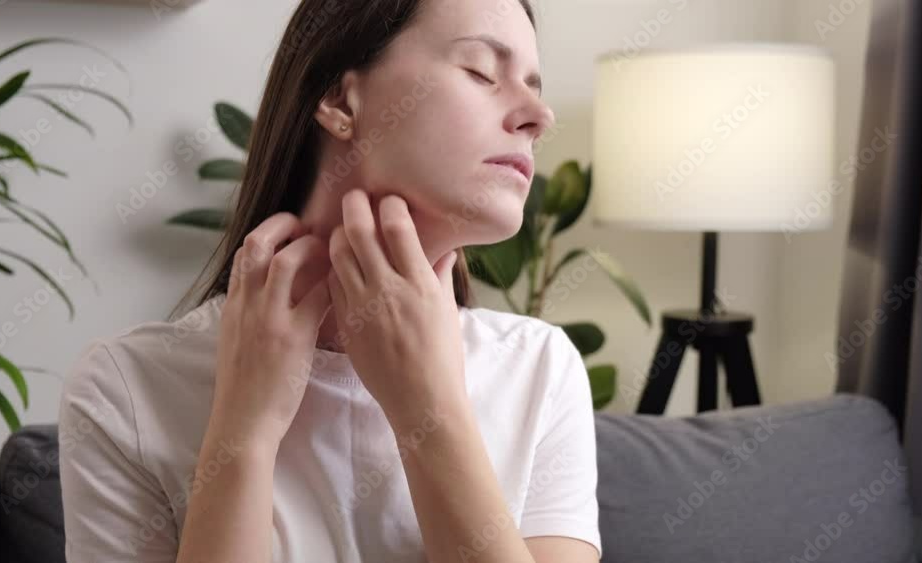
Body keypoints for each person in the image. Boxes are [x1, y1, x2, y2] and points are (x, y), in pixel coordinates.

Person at [58, 0, 602, 561]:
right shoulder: (123, 392)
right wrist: (242, 435)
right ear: (340, 99)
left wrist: (428, 409)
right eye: (482, 72)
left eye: (534, 85)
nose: (539, 115)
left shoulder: (540, 370)